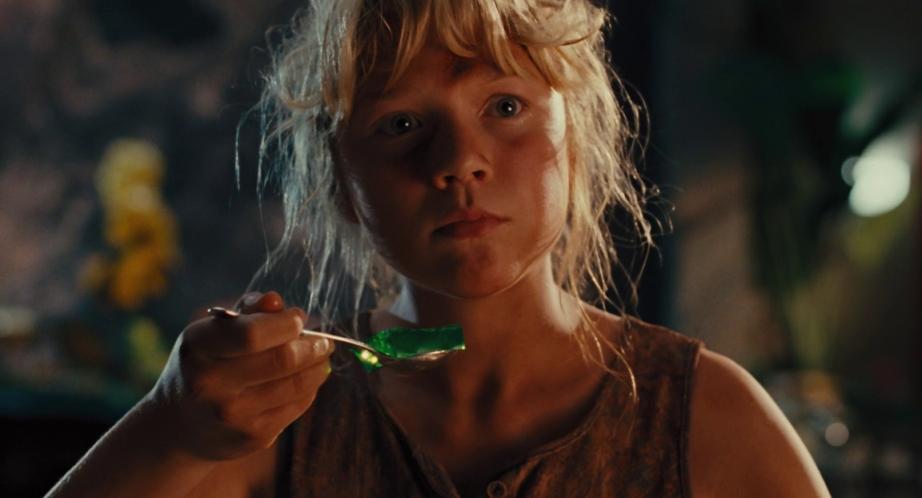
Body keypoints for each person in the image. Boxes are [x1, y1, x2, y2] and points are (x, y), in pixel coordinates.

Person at [47, 1, 831, 497]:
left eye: (505, 105)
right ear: (345, 183)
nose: (459, 159)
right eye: (399, 124)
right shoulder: (272, 430)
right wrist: (167, 425)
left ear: (575, 136)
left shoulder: (700, 417)